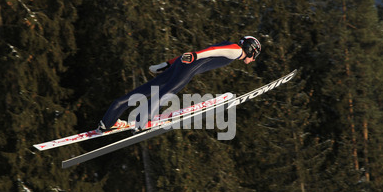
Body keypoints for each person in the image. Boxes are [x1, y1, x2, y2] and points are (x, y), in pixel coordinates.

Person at [97, 36, 261, 131]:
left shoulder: (230, 45)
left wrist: (168, 64)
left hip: (182, 63)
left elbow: (207, 50)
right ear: (251, 50)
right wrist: (195, 56)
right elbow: (212, 52)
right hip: (189, 65)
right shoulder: (236, 50)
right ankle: (142, 122)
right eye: (255, 56)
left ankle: (107, 122)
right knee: (167, 93)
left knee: (144, 90)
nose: (253, 59)